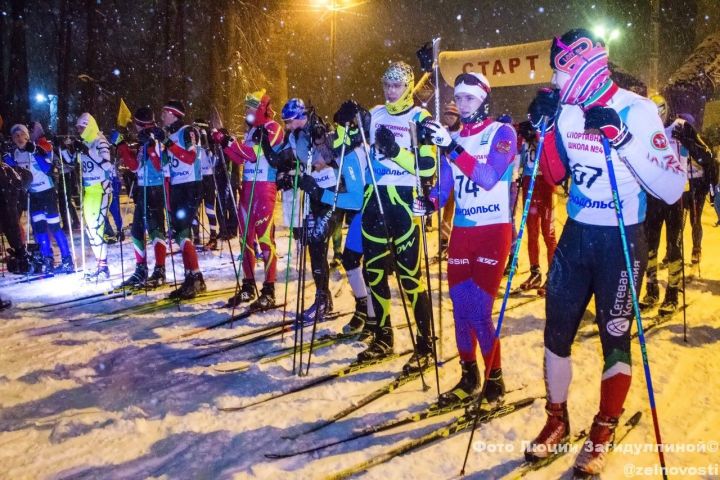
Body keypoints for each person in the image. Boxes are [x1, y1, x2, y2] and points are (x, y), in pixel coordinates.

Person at [523, 29, 685, 477]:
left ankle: (603, 429)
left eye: (560, 70)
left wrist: (622, 137)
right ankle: (557, 420)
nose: (556, 81)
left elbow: (673, 188)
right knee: (556, 335)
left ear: (582, 65)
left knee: (616, 337)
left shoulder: (637, 107)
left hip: (621, 238)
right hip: (577, 236)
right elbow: (554, 175)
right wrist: (545, 130)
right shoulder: (568, 112)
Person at [423, 72, 516, 407]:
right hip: (462, 232)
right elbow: (444, 187)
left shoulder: (501, 133)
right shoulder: (453, 138)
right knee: (460, 310)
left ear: (484, 100)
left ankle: (495, 378)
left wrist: (452, 147)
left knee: (479, 310)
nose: (463, 105)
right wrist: (429, 201)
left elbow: (489, 177)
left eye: (470, 98)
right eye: (459, 98)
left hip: (493, 230)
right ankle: (468, 375)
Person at [357, 61, 436, 375]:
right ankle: (383, 336)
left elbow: (428, 167)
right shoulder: (375, 114)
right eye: (387, 85)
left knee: (409, 277)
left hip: (403, 201)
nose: (391, 91)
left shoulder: (420, 117)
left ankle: (424, 344)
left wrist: (396, 153)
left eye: (397, 86)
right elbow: (347, 146)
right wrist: (348, 126)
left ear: (408, 87)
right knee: (373, 270)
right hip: (374, 198)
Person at [215, 89, 284, 308]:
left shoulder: (273, 128)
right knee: (245, 239)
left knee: (265, 239)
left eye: (250, 108)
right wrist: (224, 144)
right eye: (246, 108)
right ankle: (248, 285)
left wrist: (229, 141)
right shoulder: (252, 130)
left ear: (262, 108)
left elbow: (254, 154)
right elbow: (240, 157)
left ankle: (269, 289)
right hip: (247, 188)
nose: (247, 112)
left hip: (264, 188)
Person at [639, 95, 687, 313]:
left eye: (660, 112)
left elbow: (702, 152)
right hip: (652, 195)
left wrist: (689, 142)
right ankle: (651, 291)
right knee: (650, 245)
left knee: (673, 245)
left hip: (675, 196)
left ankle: (672, 294)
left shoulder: (680, 127)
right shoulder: (645, 131)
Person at [5, 124, 74, 274]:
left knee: (54, 227)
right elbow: (15, 170)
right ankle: (47, 258)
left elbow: (49, 169)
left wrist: (35, 152)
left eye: (21, 134)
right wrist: (5, 157)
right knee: (40, 229)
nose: (19, 138)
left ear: (27, 136)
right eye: (15, 136)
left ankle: (67, 259)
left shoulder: (38, 148)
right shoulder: (15, 153)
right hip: (33, 195)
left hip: (47, 193)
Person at [116, 107, 169, 288]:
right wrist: (123, 149)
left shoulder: (154, 137)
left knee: (155, 230)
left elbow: (159, 163)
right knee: (137, 230)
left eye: (135, 125)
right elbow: (135, 166)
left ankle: (160, 270)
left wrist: (150, 146)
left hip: (155, 188)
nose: (134, 129)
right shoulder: (143, 140)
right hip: (143, 187)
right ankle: (141, 269)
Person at [160, 100, 206, 299]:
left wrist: (169, 144)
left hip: (190, 184)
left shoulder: (188, 131)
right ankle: (192, 276)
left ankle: (195, 276)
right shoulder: (169, 135)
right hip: (178, 185)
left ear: (172, 113)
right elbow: (165, 164)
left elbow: (190, 158)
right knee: (180, 232)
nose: (162, 116)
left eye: (164, 112)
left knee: (183, 230)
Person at [62, 113, 114, 280]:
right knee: (90, 230)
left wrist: (88, 151)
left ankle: (103, 267)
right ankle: (101, 263)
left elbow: (107, 165)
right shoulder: (84, 142)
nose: (79, 130)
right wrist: (63, 148)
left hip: (101, 189)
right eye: (77, 128)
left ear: (89, 126)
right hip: (88, 190)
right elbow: (70, 162)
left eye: (81, 127)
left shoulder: (100, 141)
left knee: (96, 228)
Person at [516, 120, 557, 294]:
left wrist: (539, 135)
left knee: (548, 233)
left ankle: (553, 276)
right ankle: (535, 272)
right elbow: (518, 160)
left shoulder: (547, 135)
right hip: (529, 184)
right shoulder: (524, 140)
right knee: (532, 232)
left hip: (546, 186)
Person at [675, 114, 715, 270]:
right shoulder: (674, 140)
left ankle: (696, 249)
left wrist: (709, 186)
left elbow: (708, 162)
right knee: (676, 220)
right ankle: (673, 250)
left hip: (696, 184)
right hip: (681, 183)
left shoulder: (699, 141)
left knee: (695, 218)